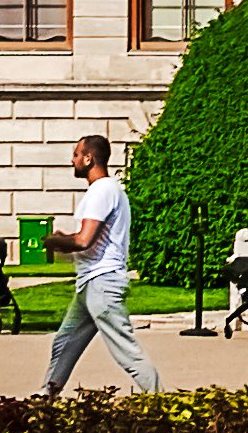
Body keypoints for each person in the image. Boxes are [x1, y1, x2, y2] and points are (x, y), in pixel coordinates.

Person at [40, 132, 160, 394]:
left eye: (75, 155)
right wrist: (63, 240)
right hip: (90, 284)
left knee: (126, 351)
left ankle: (159, 401)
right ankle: (44, 398)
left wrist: (54, 242)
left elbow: (84, 241)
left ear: (88, 157)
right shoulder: (107, 190)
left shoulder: (102, 190)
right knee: (64, 342)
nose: (72, 161)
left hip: (102, 284)